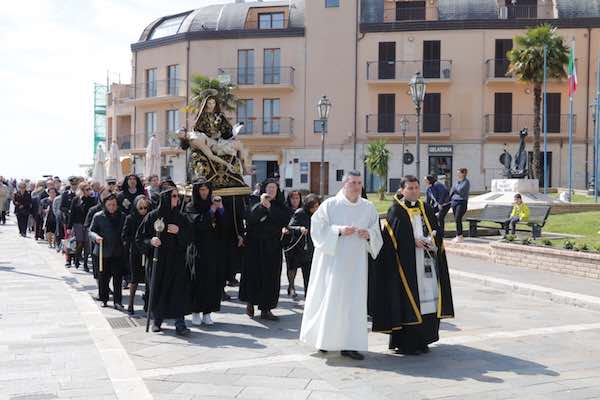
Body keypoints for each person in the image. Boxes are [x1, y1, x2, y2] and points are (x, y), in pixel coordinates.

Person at [299, 171, 383, 360]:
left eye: (359, 183)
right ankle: (324, 342)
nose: (356, 186)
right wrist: (338, 230)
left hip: (356, 265)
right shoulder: (330, 205)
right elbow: (317, 229)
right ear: (344, 184)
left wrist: (368, 234)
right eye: (352, 182)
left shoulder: (368, 207)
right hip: (333, 263)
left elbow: (377, 232)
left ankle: (350, 344)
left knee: (353, 303)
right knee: (330, 300)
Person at [371, 175, 454, 355]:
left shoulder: (426, 208)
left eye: (416, 187)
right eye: (410, 188)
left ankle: (424, 340)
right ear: (402, 190)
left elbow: (437, 230)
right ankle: (407, 344)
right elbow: (391, 240)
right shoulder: (396, 210)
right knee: (409, 301)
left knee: (428, 302)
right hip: (407, 267)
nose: (414, 191)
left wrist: (432, 240)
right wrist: (413, 242)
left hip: (427, 262)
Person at [136, 187, 191, 336]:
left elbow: (189, 238)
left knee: (177, 291)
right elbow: (140, 238)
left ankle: (180, 323)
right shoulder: (152, 216)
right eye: (173, 196)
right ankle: (157, 321)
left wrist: (178, 232)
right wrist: (151, 241)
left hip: (176, 261)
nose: (177, 199)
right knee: (158, 290)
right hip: (158, 260)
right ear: (166, 198)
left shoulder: (181, 217)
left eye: (177, 196)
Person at [240, 178, 291, 321]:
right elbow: (249, 218)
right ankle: (250, 303)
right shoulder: (254, 202)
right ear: (263, 189)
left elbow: (285, 219)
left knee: (271, 277)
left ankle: (266, 309)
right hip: (255, 247)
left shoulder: (281, 205)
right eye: (269, 188)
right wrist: (262, 206)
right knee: (253, 275)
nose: (271, 190)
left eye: (274, 188)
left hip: (272, 247)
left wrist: (270, 208)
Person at [184, 178, 225, 326]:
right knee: (197, 280)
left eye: (206, 189)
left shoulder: (212, 204)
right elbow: (197, 223)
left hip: (212, 249)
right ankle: (195, 311)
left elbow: (222, 226)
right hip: (197, 249)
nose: (204, 192)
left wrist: (220, 210)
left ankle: (207, 312)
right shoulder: (191, 206)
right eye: (201, 189)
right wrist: (211, 211)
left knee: (211, 281)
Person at [88, 194, 127, 309]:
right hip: (102, 252)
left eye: (114, 204)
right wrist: (96, 238)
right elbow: (91, 231)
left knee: (118, 279)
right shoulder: (98, 216)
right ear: (105, 204)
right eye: (109, 204)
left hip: (118, 252)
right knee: (103, 278)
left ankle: (118, 301)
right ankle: (104, 299)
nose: (112, 207)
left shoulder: (123, 216)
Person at [285, 194, 320, 298]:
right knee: (292, 269)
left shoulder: (319, 215)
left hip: (309, 248)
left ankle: (308, 296)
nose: (315, 209)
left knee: (308, 275)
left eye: (317, 206)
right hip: (296, 248)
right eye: (313, 206)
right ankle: (291, 286)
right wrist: (299, 229)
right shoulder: (300, 213)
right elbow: (290, 227)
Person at [122, 195, 150, 314]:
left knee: (148, 279)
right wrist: (133, 242)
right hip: (135, 251)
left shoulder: (150, 217)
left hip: (148, 250)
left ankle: (148, 304)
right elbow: (125, 235)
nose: (143, 210)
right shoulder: (130, 218)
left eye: (145, 208)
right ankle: (130, 303)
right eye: (141, 208)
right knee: (135, 279)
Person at [67, 182, 96, 270]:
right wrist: (69, 227)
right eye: (87, 189)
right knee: (79, 243)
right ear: (82, 190)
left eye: (89, 189)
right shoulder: (76, 199)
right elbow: (72, 214)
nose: (89, 191)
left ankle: (86, 264)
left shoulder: (92, 200)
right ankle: (76, 259)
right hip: (78, 223)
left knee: (87, 244)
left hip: (87, 224)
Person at [284, 190, 303, 299]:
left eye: (297, 198)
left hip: (300, 242)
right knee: (290, 266)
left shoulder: (303, 211)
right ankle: (291, 286)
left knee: (296, 265)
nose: (295, 200)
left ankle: (292, 286)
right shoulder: (286, 211)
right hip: (289, 242)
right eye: (293, 198)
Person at [449, 168, 470, 243]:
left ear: (463, 173)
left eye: (459, 173)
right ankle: (458, 235)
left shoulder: (466, 182)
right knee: (456, 220)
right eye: (457, 173)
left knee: (458, 218)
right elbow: (452, 190)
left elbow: (461, 190)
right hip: (454, 202)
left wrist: (455, 190)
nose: (457, 174)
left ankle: (460, 236)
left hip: (462, 202)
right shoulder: (456, 182)